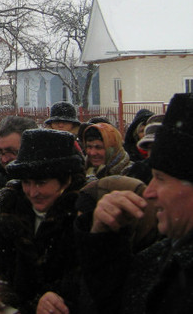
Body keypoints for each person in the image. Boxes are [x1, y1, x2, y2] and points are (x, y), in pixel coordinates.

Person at [78, 92, 193, 314]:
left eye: (160, 179)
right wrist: (103, 238)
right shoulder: (165, 256)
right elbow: (114, 302)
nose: (148, 192)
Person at [0, 129, 87, 314]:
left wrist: (52, 298)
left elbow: (84, 274)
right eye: (26, 182)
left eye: (41, 183)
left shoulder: (83, 212)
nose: (32, 192)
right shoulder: (3, 205)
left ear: (65, 180)